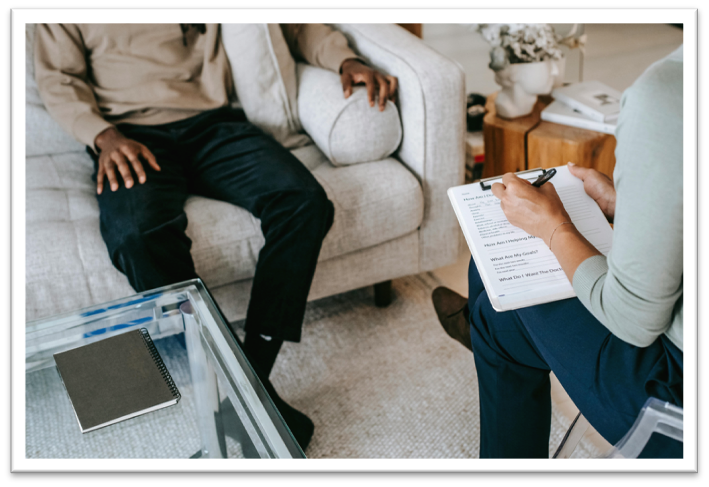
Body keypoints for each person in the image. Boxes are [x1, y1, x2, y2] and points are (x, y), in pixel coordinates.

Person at [34, 23, 398, 451]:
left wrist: (344, 58)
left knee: (304, 202)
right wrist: (102, 136)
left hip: (215, 126)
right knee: (136, 237)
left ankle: (247, 385)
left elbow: (296, 25)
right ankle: (250, 394)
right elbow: (58, 77)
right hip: (126, 134)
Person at [433, 45, 683, 458]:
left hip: (671, 398)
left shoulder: (669, 93)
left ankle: (483, 333)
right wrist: (631, 205)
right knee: (497, 302)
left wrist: (552, 227)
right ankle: (486, 333)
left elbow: (633, 319)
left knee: (496, 303)